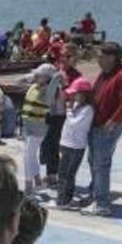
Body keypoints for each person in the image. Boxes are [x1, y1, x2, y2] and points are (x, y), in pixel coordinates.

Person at [84, 42, 122, 217]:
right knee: (94, 162)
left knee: (101, 164)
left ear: (111, 57)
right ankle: (96, 194)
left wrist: (113, 120)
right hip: (96, 124)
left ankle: (102, 203)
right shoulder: (105, 74)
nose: (97, 59)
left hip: (107, 127)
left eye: (100, 55)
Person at [41, 43, 80, 187]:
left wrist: (64, 85)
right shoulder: (55, 69)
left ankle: (57, 175)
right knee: (47, 144)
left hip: (62, 114)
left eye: (68, 56)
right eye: (61, 55)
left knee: (57, 145)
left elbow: (75, 97)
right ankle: (51, 174)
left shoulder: (76, 76)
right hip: (49, 111)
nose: (63, 58)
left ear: (75, 58)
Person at [56, 77, 95, 209]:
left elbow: (74, 124)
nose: (72, 96)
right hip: (66, 143)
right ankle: (64, 199)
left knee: (67, 174)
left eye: (75, 93)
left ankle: (63, 201)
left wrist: (69, 109)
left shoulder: (88, 109)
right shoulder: (77, 105)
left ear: (84, 94)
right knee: (62, 172)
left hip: (76, 146)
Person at [21, 63, 57, 194]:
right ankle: (38, 181)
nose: (36, 76)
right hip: (27, 125)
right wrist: (34, 75)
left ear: (47, 78)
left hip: (38, 127)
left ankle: (28, 185)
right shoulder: (34, 86)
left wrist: (52, 78)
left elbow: (56, 80)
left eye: (39, 74)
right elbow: (19, 81)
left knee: (27, 155)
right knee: (31, 155)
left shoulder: (48, 92)